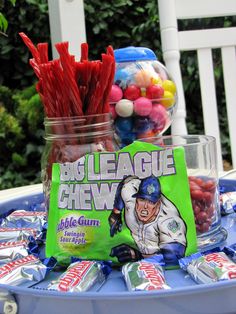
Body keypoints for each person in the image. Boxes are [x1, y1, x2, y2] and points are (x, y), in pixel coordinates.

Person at [108, 175, 186, 265]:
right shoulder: (130, 196)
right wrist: (116, 212)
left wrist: (138, 256)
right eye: (142, 199)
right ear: (136, 198)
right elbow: (126, 182)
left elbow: (174, 255)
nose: (145, 207)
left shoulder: (169, 220)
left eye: (151, 202)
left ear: (158, 203)